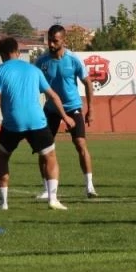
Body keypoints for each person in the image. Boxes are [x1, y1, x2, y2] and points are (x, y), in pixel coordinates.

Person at [0, 37, 76, 210]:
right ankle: (53, 199)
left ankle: (3, 202)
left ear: (1, 54)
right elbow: (53, 95)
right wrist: (65, 116)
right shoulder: (34, 70)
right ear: (18, 52)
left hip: (12, 123)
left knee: (3, 158)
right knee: (50, 157)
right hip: (36, 122)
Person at [34, 24, 97, 199]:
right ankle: (46, 189)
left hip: (72, 108)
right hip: (51, 109)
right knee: (44, 149)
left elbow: (88, 83)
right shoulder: (41, 62)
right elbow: (33, 85)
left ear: (64, 40)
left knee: (80, 144)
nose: (51, 44)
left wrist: (90, 109)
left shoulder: (73, 59)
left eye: (55, 41)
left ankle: (89, 186)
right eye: (49, 40)